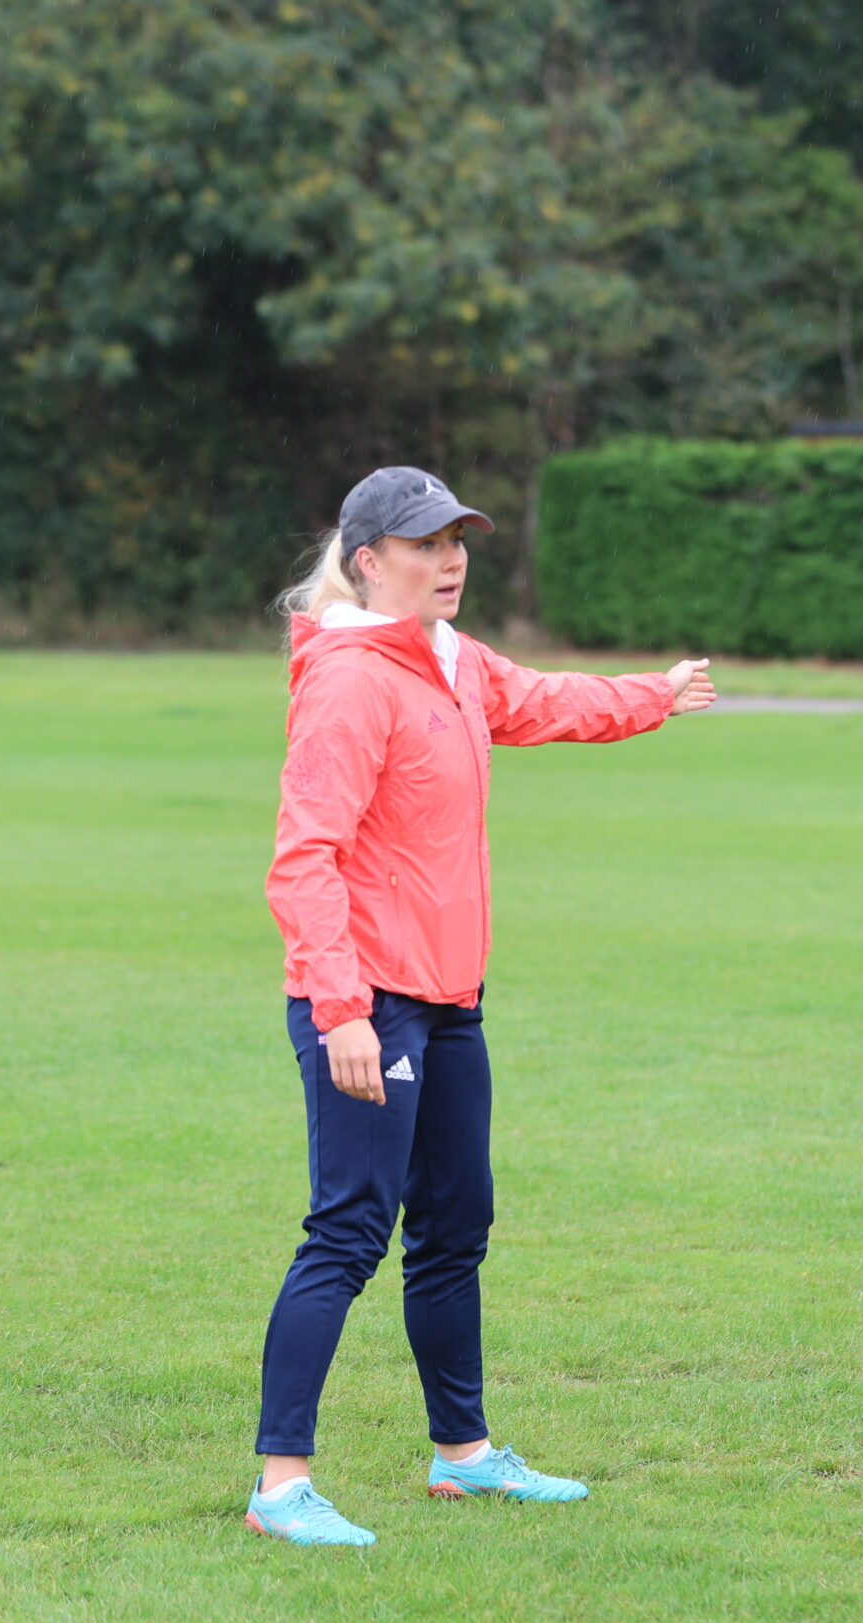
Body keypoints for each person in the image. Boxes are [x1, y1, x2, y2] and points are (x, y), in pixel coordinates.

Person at [250, 466, 714, 1547]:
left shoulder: (449, 660)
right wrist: (342, 1009)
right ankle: (279, 1487)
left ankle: (462, 1457)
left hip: (448, 996)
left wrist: (654, 691)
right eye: (425, 543)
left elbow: (547, 700)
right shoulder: (353, 677)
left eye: (458, 540)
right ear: (369, 560)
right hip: (367, 1003)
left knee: (456, 1228)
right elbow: (304, 856)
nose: (450, 559)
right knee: (348, 1231)